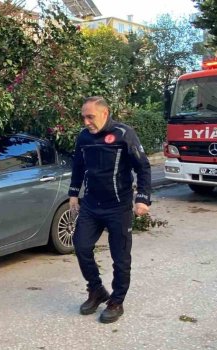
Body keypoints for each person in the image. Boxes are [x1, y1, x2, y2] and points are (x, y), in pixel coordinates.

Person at [68, 96, 152, 323]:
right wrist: (74, 194)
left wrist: (142, 198)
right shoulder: (83, 137)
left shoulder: (124, 134)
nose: (86, 121)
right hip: (91, 205)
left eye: (90, 116)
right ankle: (96, 290)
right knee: (81, 246)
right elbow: (78, 166)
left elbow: (143, 166)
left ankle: (117, 301)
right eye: (83, 117)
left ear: (105, 113)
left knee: (120, 257)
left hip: (119, 207)